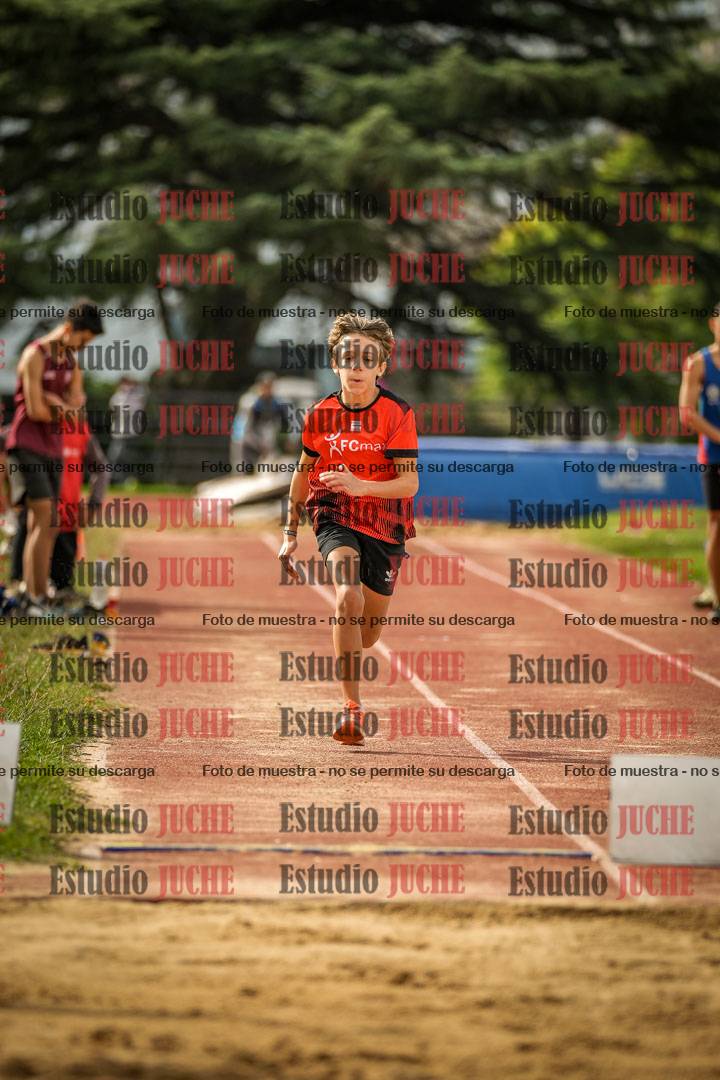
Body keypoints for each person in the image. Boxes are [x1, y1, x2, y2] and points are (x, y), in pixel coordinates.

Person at [278, 314, 419, 745]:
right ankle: (352, 708)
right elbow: (303, 473)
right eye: (348, 358)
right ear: (335, 364)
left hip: (385, 523)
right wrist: (289, 534)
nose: (357, 366)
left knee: (369, 632)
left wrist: (362, 485)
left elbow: (409, 483)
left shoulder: (397, 413)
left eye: (367, 359)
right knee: (347, 594)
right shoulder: (320, 415)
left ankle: (353, 649)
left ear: (381, 367)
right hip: (333, 513)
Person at [5, 299, 103, 615]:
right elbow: (34, 410)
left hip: (53, 448)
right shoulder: (35, 355)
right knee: (43, 516)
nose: (83, 348)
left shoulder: (72, 363)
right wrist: (64, 408)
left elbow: (77, 414)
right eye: (83, 340)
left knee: (48, 523)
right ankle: (33, 596)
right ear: (70, 328)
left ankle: (38, 596)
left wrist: (57, 405)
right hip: (26, 444)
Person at [679, 302, 720, 621]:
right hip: (715, 455)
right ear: (712, 324)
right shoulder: (698, 363)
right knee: (717, 522)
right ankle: (718, 596)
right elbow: (687, 413)